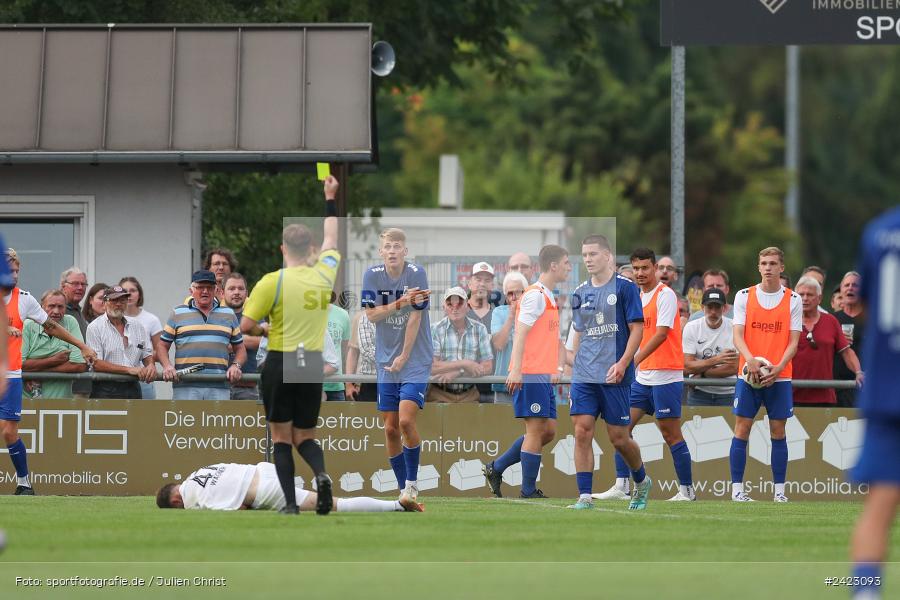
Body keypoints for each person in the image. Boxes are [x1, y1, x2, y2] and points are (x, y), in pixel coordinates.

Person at [240, 175, 340, 516]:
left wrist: (267, 329)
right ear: (311, 249)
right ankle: (322, 474)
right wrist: (330, 197)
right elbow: (332, 234)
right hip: (309, 361)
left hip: (281, 360)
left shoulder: (272, 281)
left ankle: (291, 505)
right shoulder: (325, 273)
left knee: (281, 438)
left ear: (283, 249)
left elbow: (244, 326)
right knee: (306, 436)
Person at [558, 235, 649, 510]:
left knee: (619, 438)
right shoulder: (580, 292)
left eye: (593, 254)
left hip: (614, 375)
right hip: (585, 375)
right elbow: (580, 333)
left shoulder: (625, 288)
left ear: (608, 256)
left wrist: (622, 363)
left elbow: (638, 329)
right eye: (584, 254)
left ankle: (642, 481)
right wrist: (572, 363)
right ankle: (585, 496)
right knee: (582, 431)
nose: (588, 259)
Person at [598, 248, 692, 505]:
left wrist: (631, 361)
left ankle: (686, 491)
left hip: (666, 375)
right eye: (636, 268)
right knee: (621, 428)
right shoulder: (635, 296)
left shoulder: (666, 295)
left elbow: (661, 334)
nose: (640, 273)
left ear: (655, 269)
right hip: (642, 377)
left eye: (645, 268)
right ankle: (621, 485)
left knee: (670, 434)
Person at [3, 248, 97, 495]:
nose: (13, 275)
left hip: (11, 376)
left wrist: (82, 345)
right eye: (8, 270)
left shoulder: (24, 299)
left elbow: (51, 326)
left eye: (16, 271)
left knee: (9, 431)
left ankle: (24, 484)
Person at [483, 245, 569, 500]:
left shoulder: (548, 296)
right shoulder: (535, 296)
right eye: (566, 262)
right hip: (530, 373)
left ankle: (495, 467)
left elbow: (551, 340)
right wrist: (518, 370)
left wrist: (557, 367)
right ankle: (528, 490)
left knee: (549, 431)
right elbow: (520, 332)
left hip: (542, 375)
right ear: (553, 265)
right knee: (534, 432)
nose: (568, 267)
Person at [849, 206, 900, 600]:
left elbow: (861, 305)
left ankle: (866, 593)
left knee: (879, 506)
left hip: (888, 388)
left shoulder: (880, 230)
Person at [362, 227, 433, 508]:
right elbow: (371, 315)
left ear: (405, 251)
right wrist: (400, 303)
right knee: (390, 429)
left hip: (415, 359)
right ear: (381, 252)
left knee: (405, 421)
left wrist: (404, 355)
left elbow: (415, 318)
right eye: (387, 246)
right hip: (385, 361)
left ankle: (412, 486)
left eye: (397, 246)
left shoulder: (417, 273)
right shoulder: (372, 275)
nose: (392, 251)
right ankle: (403, 490)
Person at [730, 246, 801, 502]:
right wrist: (750, 362)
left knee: (778, 432)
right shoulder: (743, 296)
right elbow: (737, 334)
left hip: (779, 376)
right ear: (758, 266)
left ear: (782, 267)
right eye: (764, 263)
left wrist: (779, 367)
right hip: (748, 375)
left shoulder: (793, 299)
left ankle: (779, 492)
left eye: (773, 263)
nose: (768, 267)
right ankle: (737, 490)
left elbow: (794, 342)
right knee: (742, 429)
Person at [156, 462, 421, 512]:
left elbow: (236, 508)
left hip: (262, 490)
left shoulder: (189, 499)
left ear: (176, 501)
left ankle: (397, 505)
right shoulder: (201, 470)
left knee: (334, 505)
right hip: (264, 469)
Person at [159, 270, 246, 401]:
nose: (205, 291)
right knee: (185, 421)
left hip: (219, 385)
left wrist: (236, 365)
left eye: (209, 287)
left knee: (217, 422)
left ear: (216, 290)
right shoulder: (177, 313)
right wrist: (167, 366)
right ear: (191, 290)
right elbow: (161, 346)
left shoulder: (228, 314)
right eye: (200, 287)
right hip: (185, 385)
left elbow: (240, 349)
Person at [793, 276, 862, 407]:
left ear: (819, 298)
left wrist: (858, 373)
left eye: (810, 294)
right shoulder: (786, 321)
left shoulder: (831, 321)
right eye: (801, 294)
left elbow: (847, 352)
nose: (805, 298)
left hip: (824, 397)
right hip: (790, 395)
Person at [86, 286, 156, 399]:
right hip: (105, 388)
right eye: (114, 300)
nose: (118, 304)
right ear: (104, 303)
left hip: (133, 386)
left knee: (134, 417)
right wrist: (129, 370)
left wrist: (151, 365)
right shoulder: (94, 327)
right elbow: (96, 363)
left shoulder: (137, 326)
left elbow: (146, 353)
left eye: (123, 300)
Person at [428, 287, 493, 404]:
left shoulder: (480, 329)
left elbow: (488, 366)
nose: (455, 308)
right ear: (444, 308)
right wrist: (465, 364)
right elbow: (432, 367)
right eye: (450, 304)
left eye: (459, 304)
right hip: (438, 394)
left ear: (467, 307)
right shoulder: (434, 329)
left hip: (469, 395)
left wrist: (459, 372)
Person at [21, 289, 87, 399]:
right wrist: (54, 360)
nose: (56, 311)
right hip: (27, 403)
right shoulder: (28, 325)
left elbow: (79, 365)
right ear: (41, 307)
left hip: (60, 404)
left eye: (60, 307)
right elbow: (19, 364)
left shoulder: (70, 322)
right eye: (51, 306)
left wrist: (38, 370)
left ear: (66, 308)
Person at [682, 288, 738, 407]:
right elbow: (686, 366)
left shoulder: (734, 327)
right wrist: (717, 360)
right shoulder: (691, 327)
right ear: (702, 308)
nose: (713, 312)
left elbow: (734, 367)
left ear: (724, 309)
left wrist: (702, 374)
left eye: (717, 307)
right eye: (709, 307)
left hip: (728, 392)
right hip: (698, 393)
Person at [120, 277, 163, 400]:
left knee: (144, 417)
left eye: (133, 290)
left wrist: (141, 355)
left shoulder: (151, 320)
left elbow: (160, 352)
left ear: (139, 294)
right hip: (118, 377)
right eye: (125, 290)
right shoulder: (113, 319)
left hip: (144, 378)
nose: (129, 294)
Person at [490, 272, 528, 405]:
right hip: (503, 385)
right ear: (506, 297)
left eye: (519, 292)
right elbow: (499, 344)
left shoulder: (533, 313)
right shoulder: (499, 312)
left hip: (528, 383)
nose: (514, 297)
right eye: (510, 293)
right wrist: (511, 317)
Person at [223, 273, 262, 401]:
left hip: (248, 386)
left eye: (241, 289)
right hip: (219, 386)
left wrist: (233, 343)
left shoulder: (254, 317)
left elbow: (262, 342)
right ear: (222, 293)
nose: (237, 292)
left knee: (250, 421)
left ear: (246, 293)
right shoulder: (215, 317)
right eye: (231, 288)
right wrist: (245, 340)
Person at [834, 271, 865, 407]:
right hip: (837, 387)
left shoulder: (871, 320)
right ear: (841, 290)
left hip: (865, 385)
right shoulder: (832, 320)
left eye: (855, 285)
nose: (850, 288)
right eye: (846, 285)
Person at [467, 261, 497, 403]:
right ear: (469, 283)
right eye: (478, 279)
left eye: (487, 280)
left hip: (494, 386)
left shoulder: (498, 314)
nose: (482, 284)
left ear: (492, 285)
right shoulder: (458, 312)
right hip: (464, 387)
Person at [60, 267, 90, 398]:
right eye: (75, 283)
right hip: (64, 386)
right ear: (63, 286)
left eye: (83, 284)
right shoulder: (57, 313)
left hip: (83, 384)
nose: (80, 287)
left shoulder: (78, 311)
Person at [323, 292, 351, 402]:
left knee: (338, 419)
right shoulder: (304, 314)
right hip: (309, 384)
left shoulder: (343, 314)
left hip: (336, 384)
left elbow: (345, 348)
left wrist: (348, 383)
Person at [345, 310, 377, 402]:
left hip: (395, 380)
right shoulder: (361, 317)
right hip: (368, 381)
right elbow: (353, 353)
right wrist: (348, 384)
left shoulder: (399, 316)